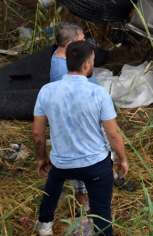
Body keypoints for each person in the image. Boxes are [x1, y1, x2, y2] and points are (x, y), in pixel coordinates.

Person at [34, 41, 129, 236]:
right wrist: (123, 159)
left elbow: (38, 132)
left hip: (61, 163)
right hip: (95, 164)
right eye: (93, 61)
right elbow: (113, 133)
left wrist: (42, 157)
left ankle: (44, 225)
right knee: (102, 211)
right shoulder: (98, 93)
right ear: (87, 64)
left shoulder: (46, 91)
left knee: (53, 183)